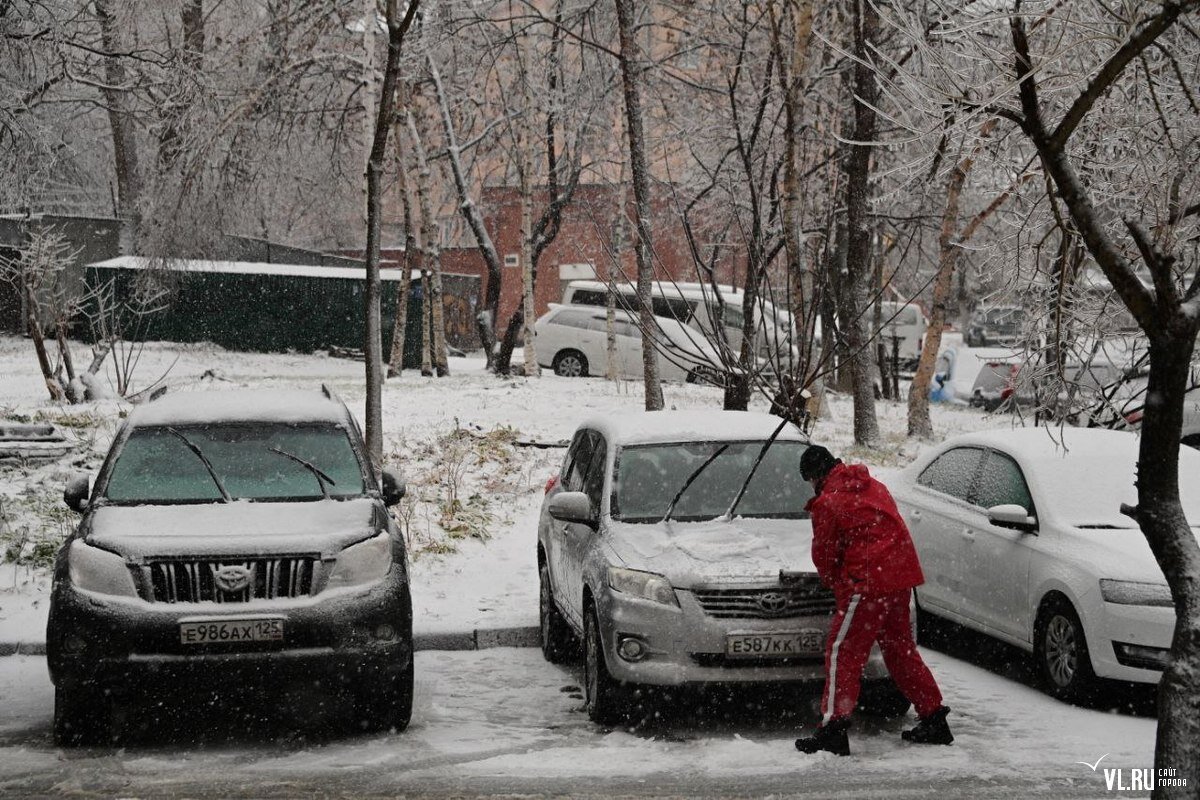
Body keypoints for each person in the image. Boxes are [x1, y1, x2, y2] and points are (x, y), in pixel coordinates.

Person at [794, 444, 953, 756]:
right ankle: (934, 718)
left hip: (867, 584)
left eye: (809, 481)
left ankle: (834, 728)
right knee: (900, 651)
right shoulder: (874, 486)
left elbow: (825, 556)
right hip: (899, 578)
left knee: (843, 652)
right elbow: (888, 530)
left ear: (814, 476)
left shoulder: (828, 502)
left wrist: (839, 584)